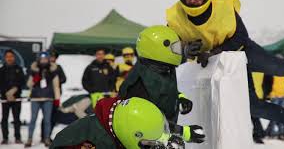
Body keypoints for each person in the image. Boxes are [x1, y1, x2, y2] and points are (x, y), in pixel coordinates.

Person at [166, 0, 284, 143]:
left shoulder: (223, 4)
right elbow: (168, 49)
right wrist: (185, 50)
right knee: (253, 107)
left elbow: (240, 36)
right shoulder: (174, 17)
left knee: (279, 68)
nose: (193, 0)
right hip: (218, 66)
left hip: (242, 51)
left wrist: (215, 51)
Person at [120, 26, 202, 144]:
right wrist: (184, 132)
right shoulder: (139, 86)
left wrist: (180, 98)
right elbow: (145, 124)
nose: (178, 52)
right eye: (175, 48)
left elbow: (164, 90)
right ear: (159, 49)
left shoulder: (162, 67)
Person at [50, 97, 205, 149]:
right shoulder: (93, 142)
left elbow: (147, 125)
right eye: (147, 144)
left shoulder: (122, 118)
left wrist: (169, 138)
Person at [25, 52, 61, 147]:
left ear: (48, 59)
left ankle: (47, 139)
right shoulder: (34, 70)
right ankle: (29, 139)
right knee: (33, 119)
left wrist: (57, 99)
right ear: (38, 59)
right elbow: (28, 85)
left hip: (48, 98)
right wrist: (34, 79)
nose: (43, 61)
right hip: (35, 98)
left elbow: (56, 86)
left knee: (47, 120)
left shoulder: (53, 71)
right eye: (41, 59)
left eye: (45, 59)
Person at [40, 50, 67, 143]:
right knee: (46, 117)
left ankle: (48, 136)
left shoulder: (58, 67)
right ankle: (43, 136)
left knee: (53, 117)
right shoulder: (44, 67)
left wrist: (56, 80)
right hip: (46, 96)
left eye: (53, 57)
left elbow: (64, 79)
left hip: (56, 96)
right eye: (50, 57)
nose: (52, 58)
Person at [0, 49, 25, 144]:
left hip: (16, 98)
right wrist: (6, 93)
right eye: (7, 57)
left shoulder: (19, 68)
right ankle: (5, 138)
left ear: (14, 57)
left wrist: (14, 91)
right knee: (4, 119)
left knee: (17, 118)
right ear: (5, 58)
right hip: (5, 98)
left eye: (11, 56)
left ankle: (18, 137)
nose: (9, 58)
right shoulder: (1, 70)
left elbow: (22, 82)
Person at [263, 75, 284, 140]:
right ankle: (272, 133)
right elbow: (267, 84)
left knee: (281, 115)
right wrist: (269, 93)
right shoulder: (272, 72)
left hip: (283, 97)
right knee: (274, 115)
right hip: (274, 97)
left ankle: (280, 133)